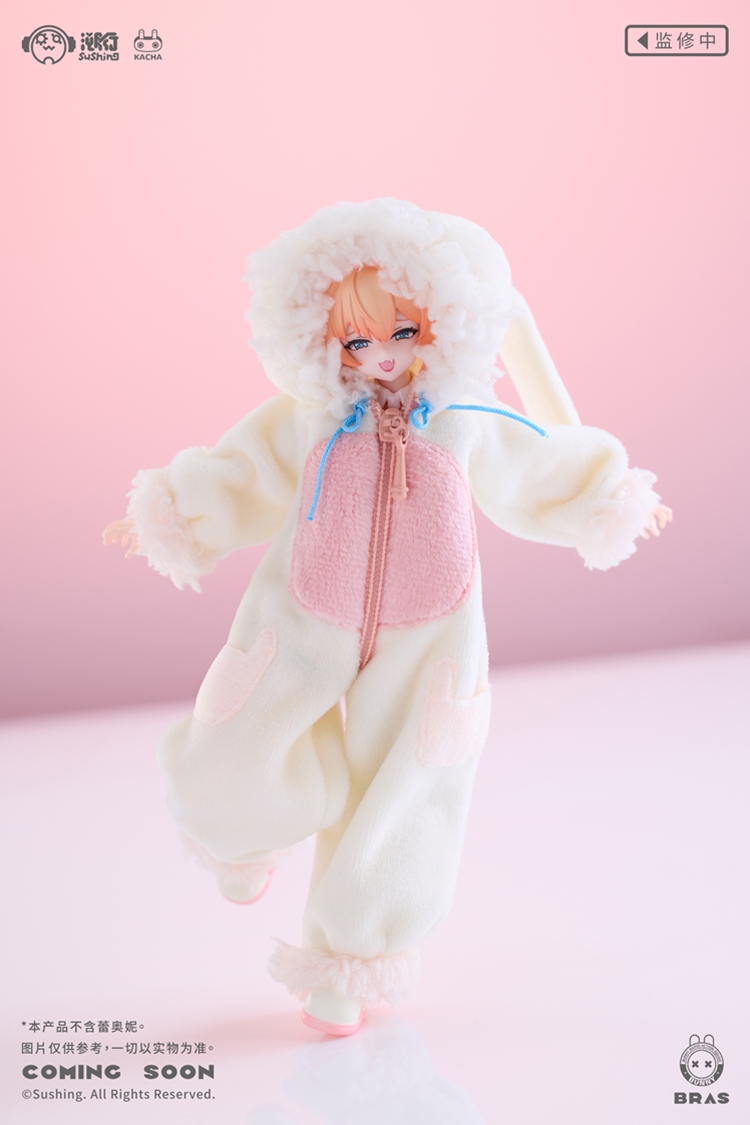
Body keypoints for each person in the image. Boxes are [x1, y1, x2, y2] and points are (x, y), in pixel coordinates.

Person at [104, 198, 671, 1035]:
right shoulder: (308, 417)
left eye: (403, 331)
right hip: (299, 615)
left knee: (414, 783)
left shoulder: (469, 419)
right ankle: (246, 830)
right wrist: (179, 512)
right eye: (354, 340)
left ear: (446, 321)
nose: (379, 356)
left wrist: (604, 498)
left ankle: (351, 955)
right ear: (319, 337)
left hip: (431, 641)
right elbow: (242, 469)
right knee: (229, 730)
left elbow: (538, 464)